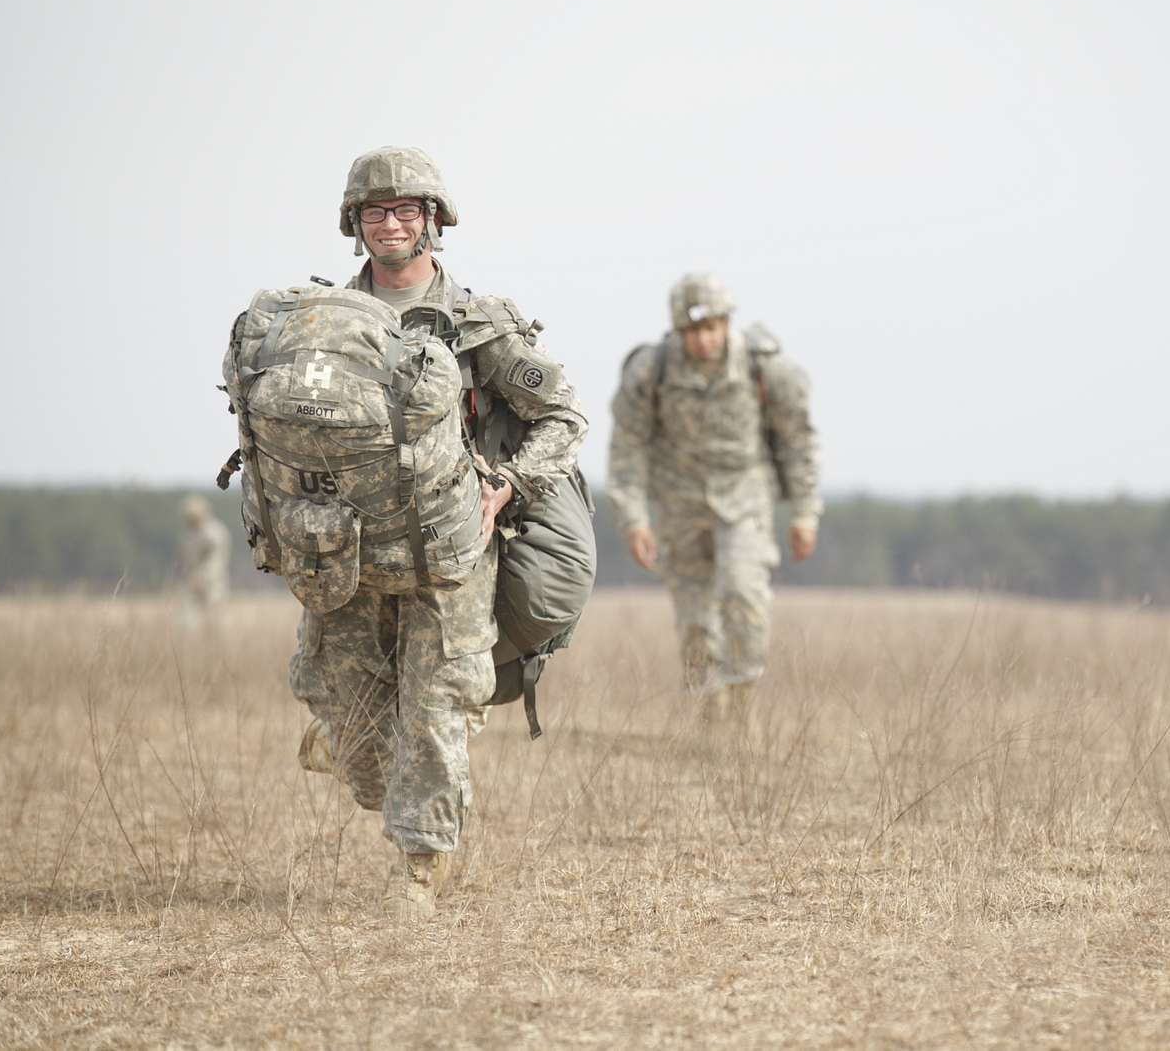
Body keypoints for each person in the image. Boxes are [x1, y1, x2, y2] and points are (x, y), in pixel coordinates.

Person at [237, 146, 592, 921]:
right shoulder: (314, 324)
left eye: (405, 211)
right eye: (375, 212)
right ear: (354, 226)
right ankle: (349, 750)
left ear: (433, 221)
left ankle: (418, 875)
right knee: (357, 731)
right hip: (348, 557)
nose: (391, 224)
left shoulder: (477, 324)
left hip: (449, 554)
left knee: (435, 708)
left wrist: (507, 485)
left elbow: (563, 416)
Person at [608, 272, 820, 719]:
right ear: (678, 331)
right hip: (678, 505)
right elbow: (627, 447)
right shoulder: (652, 371)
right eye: (692, 331)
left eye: (711, 328)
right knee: (696, 624)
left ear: (726, 323)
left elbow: (798, 440)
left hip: (744, 499)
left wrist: (805, 512)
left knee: (745, 597)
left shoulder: (764, 367)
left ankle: (743, 713)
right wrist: (633, 519)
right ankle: (708, 717)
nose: (703, 340)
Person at [176, 495, 229, 624]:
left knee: (215, 617)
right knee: (187, 619)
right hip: (191, 579)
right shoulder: (189, 533)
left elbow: (214, 552)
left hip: (212, 579)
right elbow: (184, 556)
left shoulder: (214, 531)